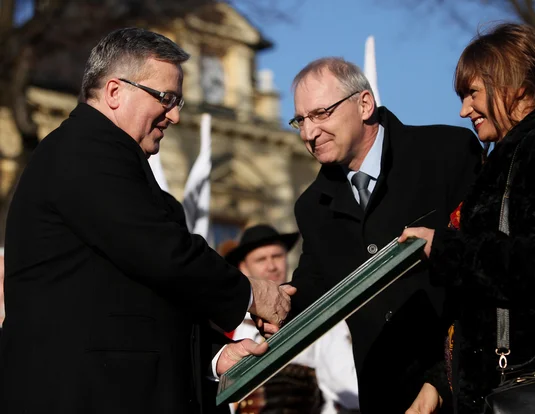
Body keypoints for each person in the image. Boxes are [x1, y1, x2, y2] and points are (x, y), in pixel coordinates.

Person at [0, 27, 295, 414]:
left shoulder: (107, 158)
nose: (173, 115)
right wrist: (251, 293)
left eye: (179, 102)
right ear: (114, 92)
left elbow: (138, 293)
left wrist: (215, 355)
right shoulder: (83, 152)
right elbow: (159, 249)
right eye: (166, 98)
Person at [399, 23, 535, 414]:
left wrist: (444, 248)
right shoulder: (509, 157)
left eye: (472, 93)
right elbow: (484, 307)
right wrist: (440, 382)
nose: (463, 110)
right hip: (509, 387)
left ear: (514, 86)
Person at [281, 57, 482, 413]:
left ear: (364, 104)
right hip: (387, 399)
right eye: (301, 120)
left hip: (467, 390)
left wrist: (441, 381)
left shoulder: (447, 153)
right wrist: (274, 302)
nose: (308, 134)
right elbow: (312, 289)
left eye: (321, 113)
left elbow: (483, 271)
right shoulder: (312, 206)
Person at [223, 224, 361, 414]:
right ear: (243, 268)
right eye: (261, 259)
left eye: (277, 256)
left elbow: (347, 388)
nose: (271, 266)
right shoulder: (227, 326)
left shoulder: (316, 315)